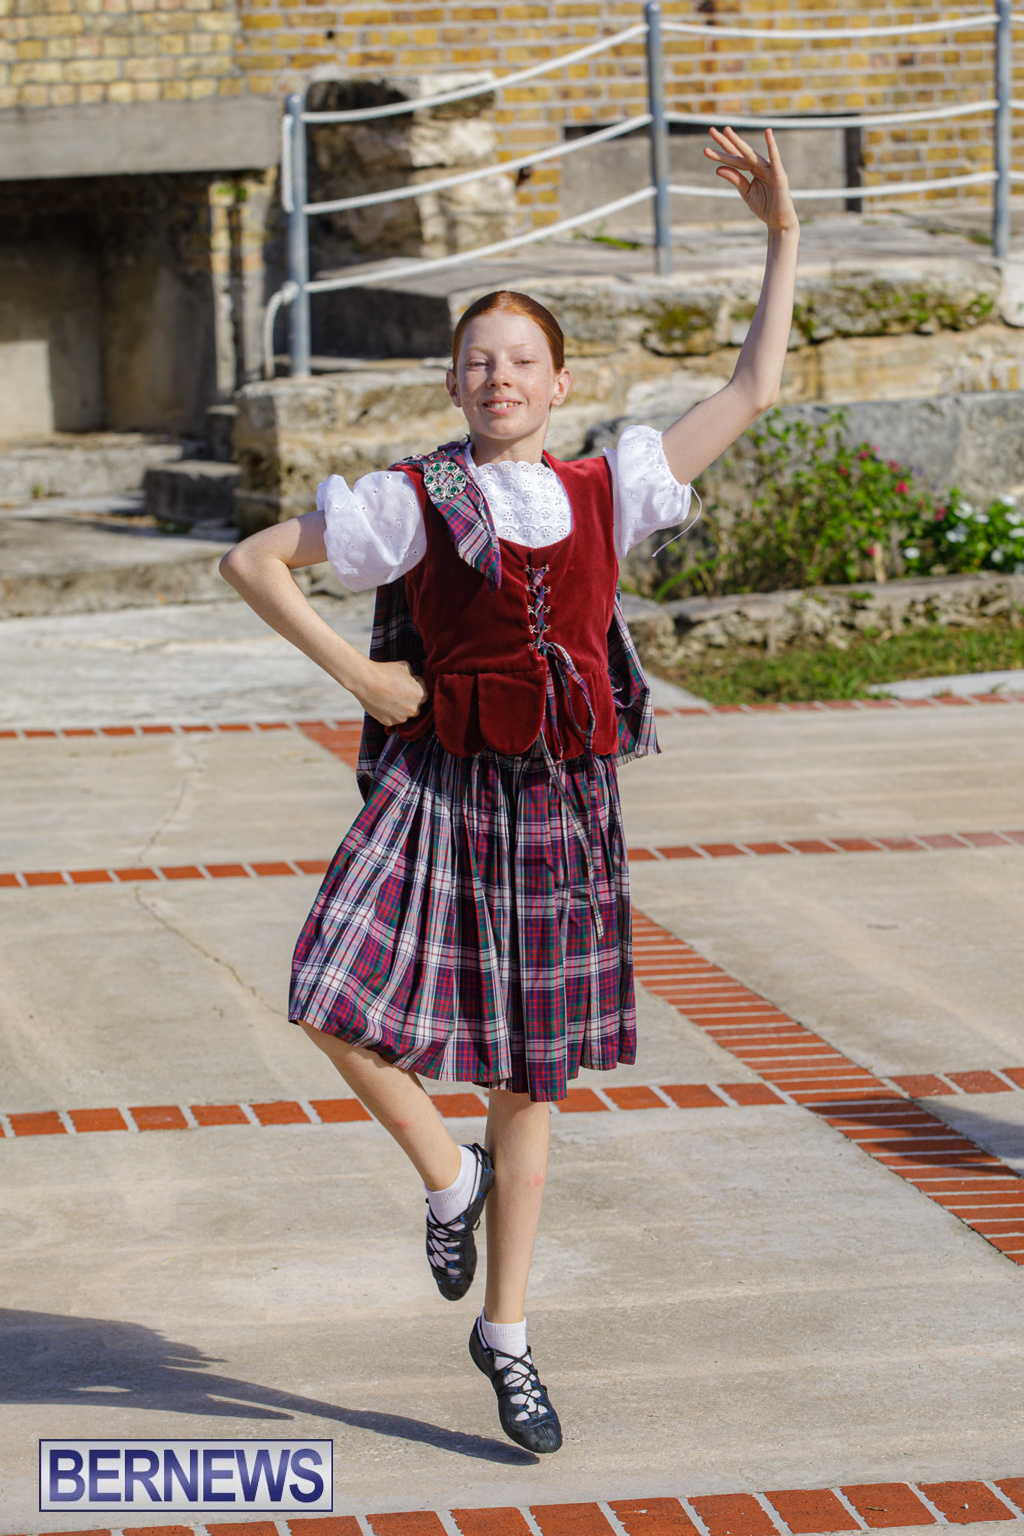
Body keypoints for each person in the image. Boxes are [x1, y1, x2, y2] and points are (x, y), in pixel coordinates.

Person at [220, 126, 798, 1455]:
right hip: (437, 793)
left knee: (535, 1077)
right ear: (456, 379)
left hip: (561, 808)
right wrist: (360, 679)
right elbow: (255, 562)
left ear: (557, 381)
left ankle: (509, 1336)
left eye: (520, 361)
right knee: (327, 994)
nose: (498, 379)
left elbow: (753, 386)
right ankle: (446, 1174)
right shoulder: (412, 503)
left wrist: (780, 238)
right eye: (478, 361)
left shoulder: (612, 488)